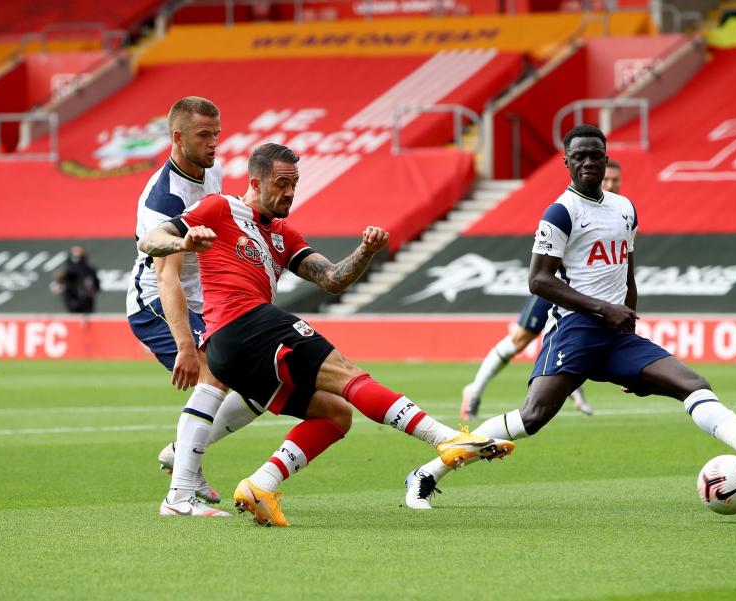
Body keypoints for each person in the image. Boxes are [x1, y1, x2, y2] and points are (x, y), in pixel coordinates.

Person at [405, 125, 736, 510]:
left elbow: (627, 273)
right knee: (532, 418)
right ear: (567, 162)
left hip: (617, 335)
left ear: (605, 160)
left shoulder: (623, 208)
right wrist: (603, 309)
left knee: (692, 384)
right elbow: (538, 280)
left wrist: (629, 337)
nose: (588, 163)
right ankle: (428, 472)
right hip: (576, 330)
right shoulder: (560, 213)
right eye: (579, 157)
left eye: (595, 156)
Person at [137, 142, 516, 526]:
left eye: (295, 184)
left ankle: (260, 485)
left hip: (238, 352)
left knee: (335, 413)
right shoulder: (220, 207)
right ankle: (446, 439)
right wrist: (181, 242)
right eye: (282, 183)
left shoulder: (283, 233)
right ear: (256, 181)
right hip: (242, 325)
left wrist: (366, 252)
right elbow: (149, 240)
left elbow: (331, 279)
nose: (290, 192)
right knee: (344, 371)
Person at [126, 96, 301, 518]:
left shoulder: (213, 172)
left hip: (208, 299)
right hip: (157, 301)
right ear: (178, 137)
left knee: (267, 384)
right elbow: (167, 275)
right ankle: (180, 495)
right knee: (211, 372)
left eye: (216, 135)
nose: (214, 144)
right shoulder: (163, 199)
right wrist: (186, 345)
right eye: (204, 136)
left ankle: (181, 455)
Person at [459, 159, 623, 421]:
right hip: (558, 287)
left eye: (616, 180)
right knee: (520, 340)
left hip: (589, 292)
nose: (611, 185)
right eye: (607, 180)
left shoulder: (620, 213)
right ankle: (474, 391)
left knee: (579, 336)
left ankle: (574, 389)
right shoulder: (573, 207)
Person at [52, 246, 100, 313]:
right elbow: (56, 288)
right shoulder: (67, 271)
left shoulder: (88, 271)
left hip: (85, 304)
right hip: (71, 303)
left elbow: (95, 287)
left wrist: (89, 290)